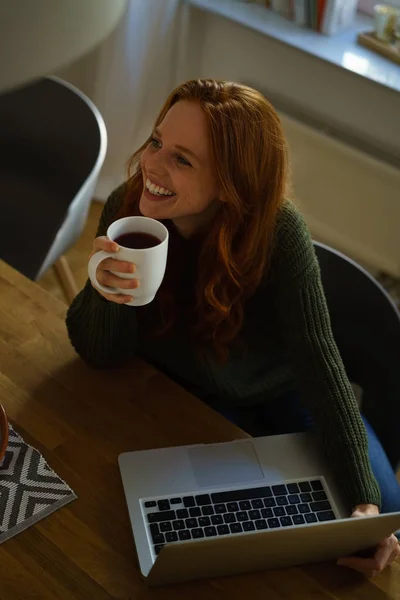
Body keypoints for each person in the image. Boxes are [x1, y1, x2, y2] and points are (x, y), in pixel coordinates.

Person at [66, 79, 400, 577]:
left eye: (183, 159)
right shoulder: (127, 208)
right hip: (184, 389)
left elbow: (319, 364)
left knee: (383, 506)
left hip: (281, 392)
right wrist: (107, 294)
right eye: (157, 142)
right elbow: (100, 354)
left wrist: (365, 505)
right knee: (197, 536)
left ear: (231, 182)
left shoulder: (279, 237)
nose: (151, 166)